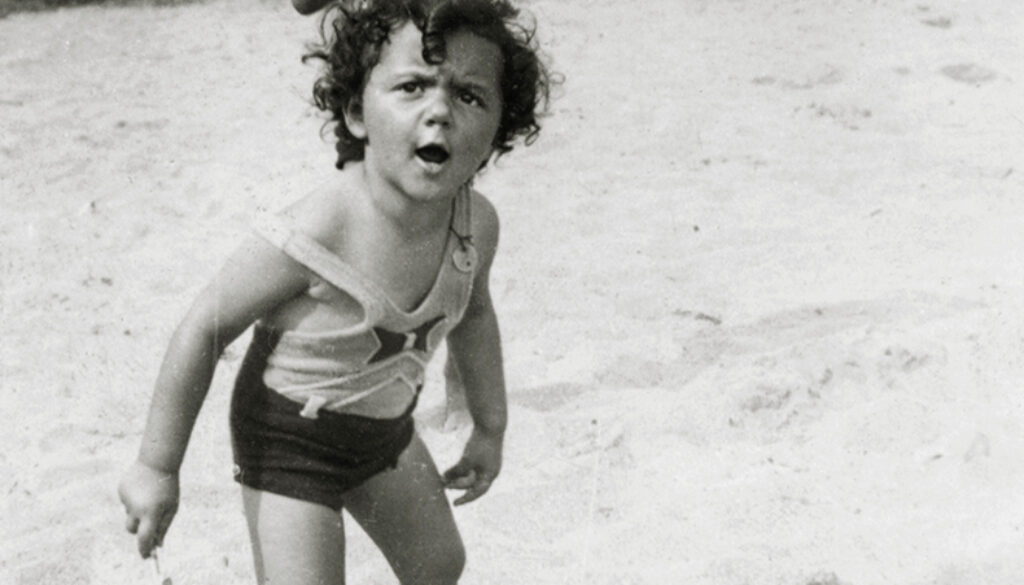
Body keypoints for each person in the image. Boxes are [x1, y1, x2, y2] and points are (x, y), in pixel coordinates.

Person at [117, 1, 551, 583]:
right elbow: (204, 326)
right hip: (288, 441)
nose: (440, 111)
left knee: (441, 566)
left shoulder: (477, 225)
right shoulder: (318, 227)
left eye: (470, 96)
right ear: (355, 112)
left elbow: (473, 314)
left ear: (500, 128)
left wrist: (491, 428)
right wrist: (156, 466)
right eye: (412, 87)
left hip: (384, 431)